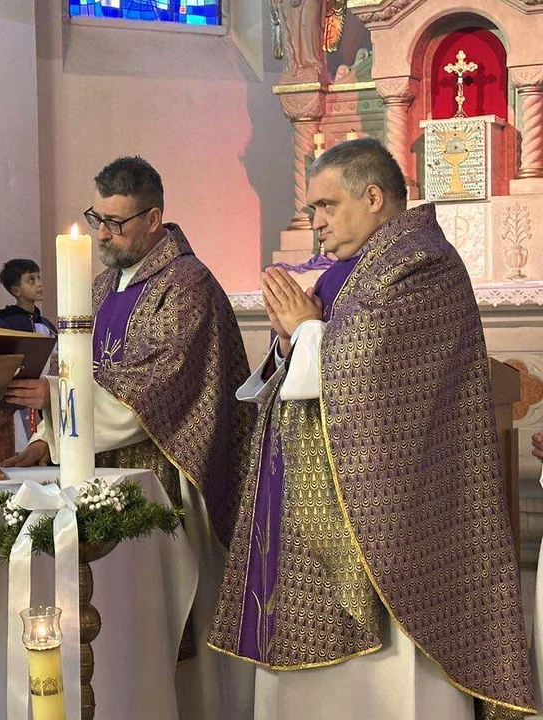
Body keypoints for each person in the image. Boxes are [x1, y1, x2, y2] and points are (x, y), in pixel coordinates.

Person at [208, 138, 535, 719]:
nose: (316, 222)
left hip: (390, 519)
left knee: (387, 692)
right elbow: (310, 357)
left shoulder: (420, 262)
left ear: (374, 196)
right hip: (316, 508)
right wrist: (292, 339)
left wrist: (308, 332)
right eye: (312, 209)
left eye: (328, 206)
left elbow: (371, 368)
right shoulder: (351, 270)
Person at [3, 156, 256, 719]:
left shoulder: (188, 285)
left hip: (166, 481)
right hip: (98, 477)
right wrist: (49, 437)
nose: (104, 234)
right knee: (109, 630)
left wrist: (60, 401)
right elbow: (79, 368)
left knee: (165, 635)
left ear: (154, 217)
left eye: (117, 223)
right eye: (99, 219)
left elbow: (162, 386)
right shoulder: (98, 287)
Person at [0, 259, 57, 337]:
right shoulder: (10, 323)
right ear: (16, 290)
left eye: (38, 278)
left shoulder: (45, 323)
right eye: (31, 279)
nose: (39, 284)